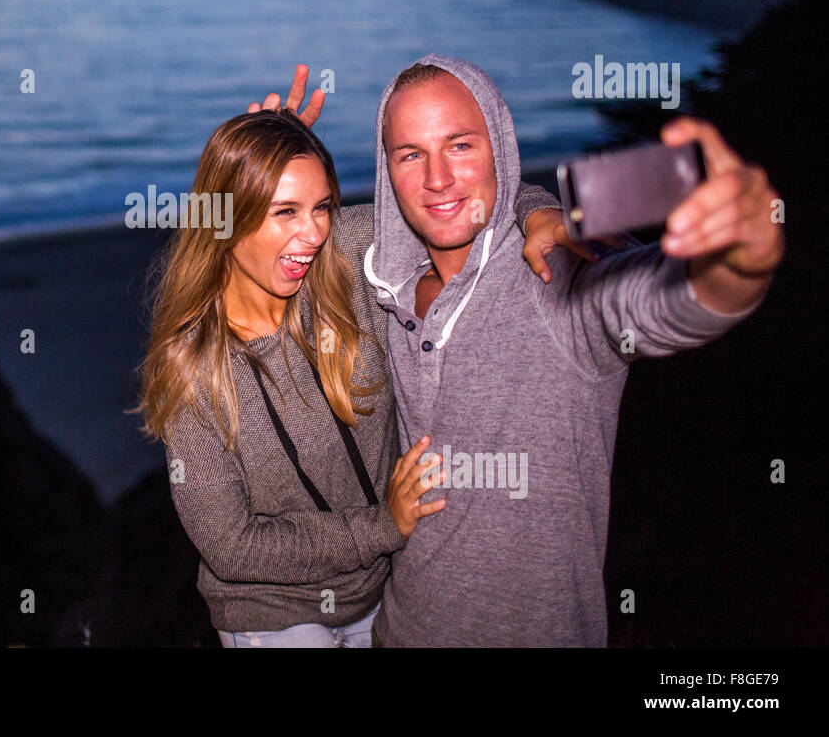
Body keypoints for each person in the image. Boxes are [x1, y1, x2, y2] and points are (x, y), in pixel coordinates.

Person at [334, 53, 781, 647]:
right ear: (388, 170)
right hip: (401, 630)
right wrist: (271, 145)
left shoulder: (553, 278)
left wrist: (742, 261)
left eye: (461, 146)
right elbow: (285, 228)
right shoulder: (383, 281)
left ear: (500, 145)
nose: (436, 178)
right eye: (410, 155)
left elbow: (662, 303)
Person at [135, 106, 570, 646]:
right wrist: (383, 526)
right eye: (284, 211)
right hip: (273, 611)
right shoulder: (195, 366)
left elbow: (456, 206)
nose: (312, 232)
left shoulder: (344, 251)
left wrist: (539, 212)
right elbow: (233, 546)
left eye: (321, 207)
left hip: (385, 585)